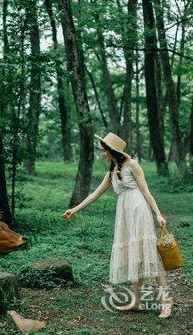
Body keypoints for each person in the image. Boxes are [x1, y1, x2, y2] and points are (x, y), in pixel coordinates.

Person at [62, 132, 173, 318]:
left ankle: (166, 301)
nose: (102, 154)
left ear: (112, 150)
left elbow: (146, 192)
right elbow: (93, 195)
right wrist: (75, 209)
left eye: (104, 150)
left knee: (151, 256)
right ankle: (137, 302)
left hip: (139, 212)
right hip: (125, 215)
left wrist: (158, 215)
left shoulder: (132, 165)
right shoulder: (112, 172)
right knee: (136, 256)